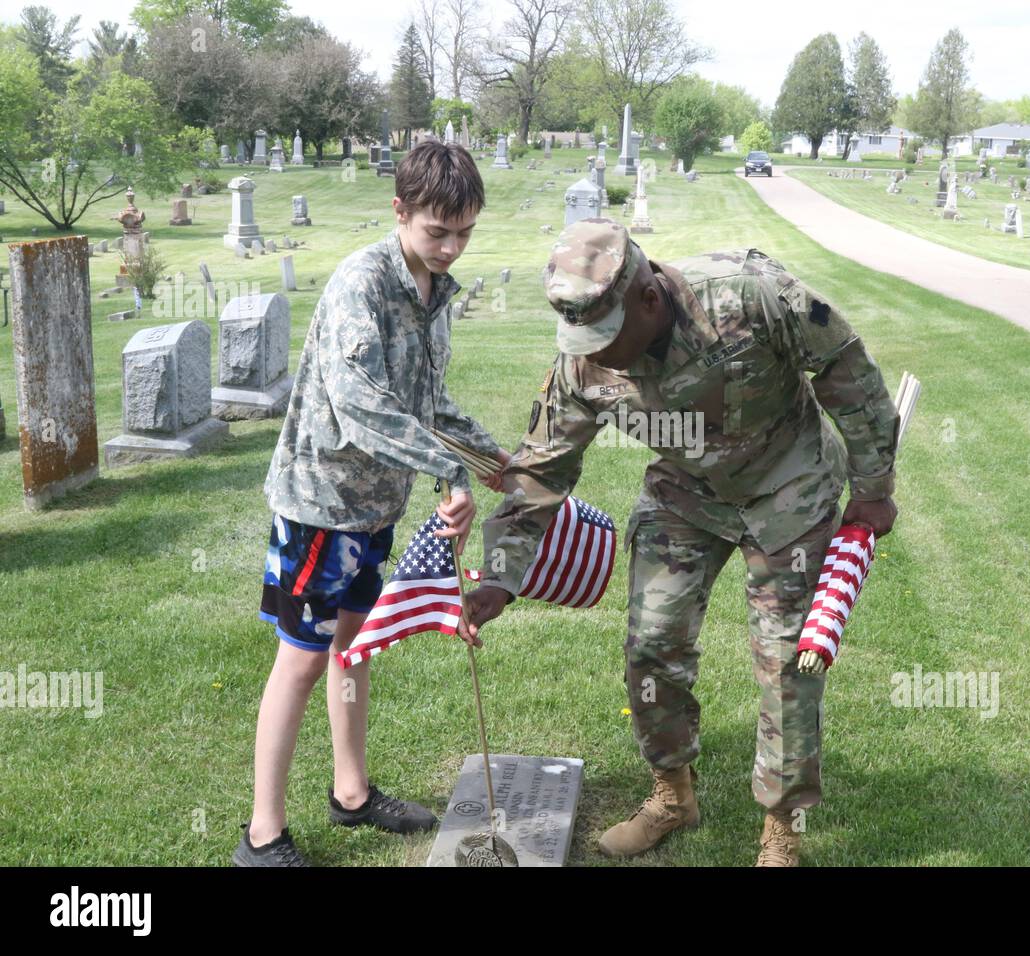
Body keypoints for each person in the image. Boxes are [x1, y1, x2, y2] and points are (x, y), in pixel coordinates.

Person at [460, 218, 899, 866]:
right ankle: (672, 794)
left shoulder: (750, 292)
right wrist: (501, 573)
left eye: (608, 336)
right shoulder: (584, 360)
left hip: (790, 489)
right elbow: (540, 469)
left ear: (648, 297)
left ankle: (782, 826)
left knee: (788, 667)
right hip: (685, 496)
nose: (599, 354)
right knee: (652, 644)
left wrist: (874, 483)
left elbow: (845, 365)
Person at [234, 140, 510, 866]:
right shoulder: (363, 282)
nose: (452, 247)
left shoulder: (434, 293)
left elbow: (425, 402)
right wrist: (450, 470)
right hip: (320, 506)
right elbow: (360, 407)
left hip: (375, 508)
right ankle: (262, 834)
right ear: (400, 212)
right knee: (299, 661)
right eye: (437, 231)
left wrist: (490, 459)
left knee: (353, 650)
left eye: (465, 233)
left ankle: (351, 794)